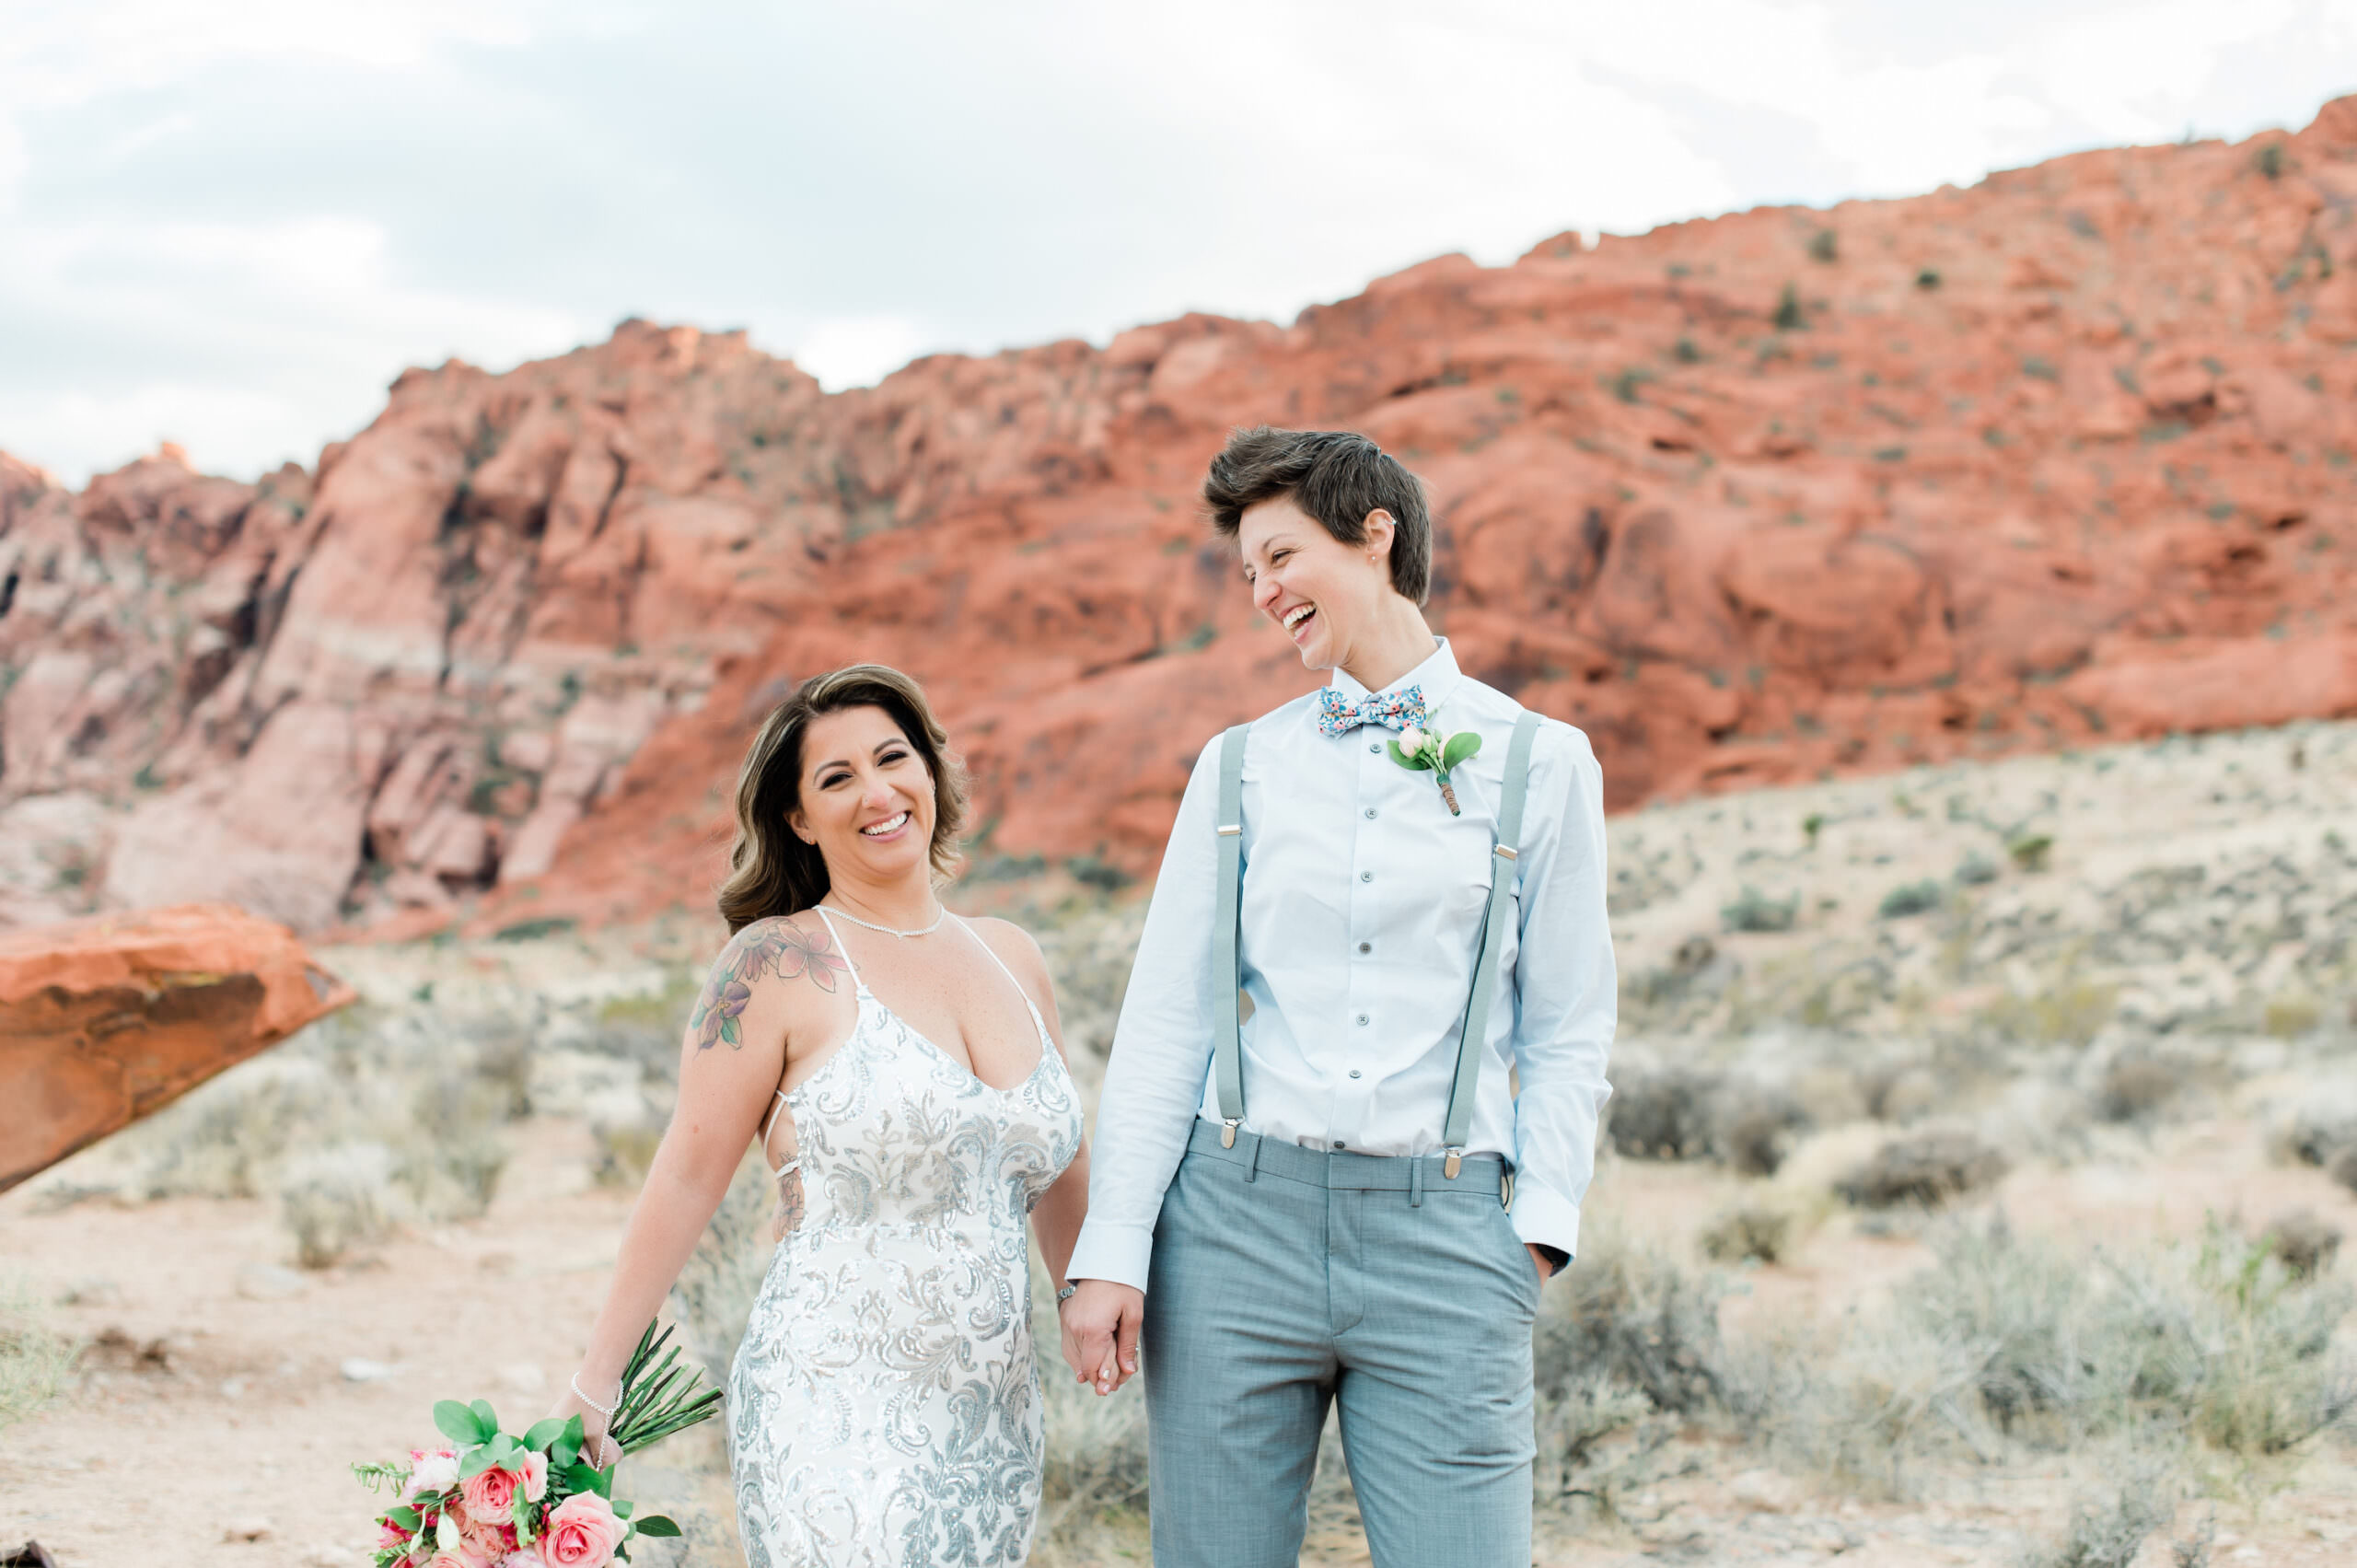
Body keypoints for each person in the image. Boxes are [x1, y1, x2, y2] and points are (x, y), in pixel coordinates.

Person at [1062, 428, 1616, 1567]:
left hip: (1448, 1238)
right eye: (1248, 572)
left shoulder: (1542, 761)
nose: (1262, 593)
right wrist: (1112, 1246)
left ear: (1376, 533)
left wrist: (1538, 1232)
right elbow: (1169, 1017)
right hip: (1230, 1232)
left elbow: (1567, 1024)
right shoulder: (1239, 764)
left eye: (1278, 555)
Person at [549, 664, 1097, 1567]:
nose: (877, 792)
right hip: (831, 1399)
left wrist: (1085, 1295)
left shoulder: (1013, 956)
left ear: (931, 770)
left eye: (893, 757)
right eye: (836, 777)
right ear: (797, 816)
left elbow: (1060, 1166)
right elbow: (685, 1176)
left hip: (992, 1414)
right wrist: (594, 1382)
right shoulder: (773, 962)